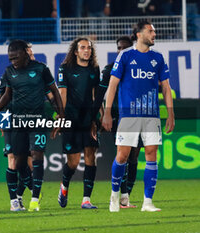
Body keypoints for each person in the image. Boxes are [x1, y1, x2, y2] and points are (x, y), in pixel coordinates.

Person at [0, 39, 64, 211]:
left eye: (16, 58)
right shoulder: (9, 73)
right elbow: (1, 97)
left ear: (27, 53)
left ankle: (31, 198)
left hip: (36, 120)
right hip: (12, 120)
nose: (13, 62)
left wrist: (60, 115)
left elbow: (53, 93)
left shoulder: (40, 69)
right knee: (15, 161)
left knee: (35, 157)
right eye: (10, 59)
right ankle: (19, 198)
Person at [102, 21, 175, 212]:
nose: (154, 34)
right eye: (150, 31)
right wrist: (107, 112)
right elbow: (112, 85)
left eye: (154, 31)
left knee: (151, 154)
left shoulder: (158, 58)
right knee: (122, 156)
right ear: (139, 34)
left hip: (151, 115)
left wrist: (170, 113)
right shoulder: (125, 56)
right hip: (128, 115)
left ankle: (147, 202)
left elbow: (166, 87)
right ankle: (115, 196)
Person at [92, 36, 139, 208]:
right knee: (123, 155)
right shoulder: (109, 69)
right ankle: (122, 196)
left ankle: (126, 196)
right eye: (119, 48)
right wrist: (99, 116)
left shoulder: (137, 69)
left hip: (137, 116)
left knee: (134, 156)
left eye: (125, 48)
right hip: (118, 118)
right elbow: (99, 95)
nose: (121, 51)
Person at [57, 37, 100, 209]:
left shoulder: (94, 69)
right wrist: (61, 118)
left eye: (89, 48)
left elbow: (96, 96)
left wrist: (100, 117)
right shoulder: (65, 69)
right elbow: (62, 93)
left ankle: (86, 199)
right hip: (71, 120)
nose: (87, 50)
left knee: (91, 156)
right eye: (83, 48)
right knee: (73, 162)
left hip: (89, 120)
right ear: (76, 51)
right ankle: (64, 186)